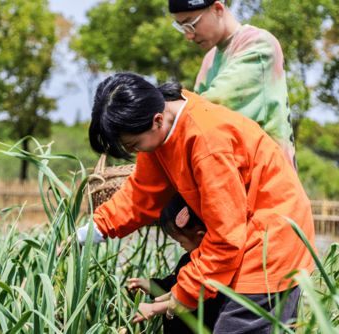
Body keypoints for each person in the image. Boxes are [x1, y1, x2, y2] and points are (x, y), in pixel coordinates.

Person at [77, 72, 316, 333]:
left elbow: (226, 237)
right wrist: (89, 234)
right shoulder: (161, 132)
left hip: (272, 241)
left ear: (157, 120)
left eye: (134, 145)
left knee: (233, 327)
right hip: (241, 235)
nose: (136, 153)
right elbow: (142, 191)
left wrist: (186, 292)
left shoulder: (207, 141)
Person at [168, 0, 296, 168]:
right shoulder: (210, 60)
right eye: (182, 27)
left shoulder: (258, 45)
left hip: (270, 178)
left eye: (191, 24)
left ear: (217, 9)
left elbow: (209, 107)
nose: (189, 35)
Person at [128, 193, 224, 332]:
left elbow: (193, 299)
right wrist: (151, 285)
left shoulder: (213, 267)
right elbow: (176, 285)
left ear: (200, 236)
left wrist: (153, 309)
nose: (180, 245)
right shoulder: (187, 259)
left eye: (181, 241)